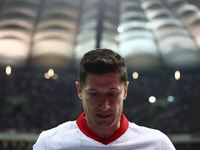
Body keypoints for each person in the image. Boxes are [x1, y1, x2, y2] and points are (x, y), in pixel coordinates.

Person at [33, 48, 176, 150]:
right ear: (80, 90)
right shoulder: (50, 144)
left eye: (112, 94)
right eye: (94, 94)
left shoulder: (157, 144)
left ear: (125, 90)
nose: (105, 105)